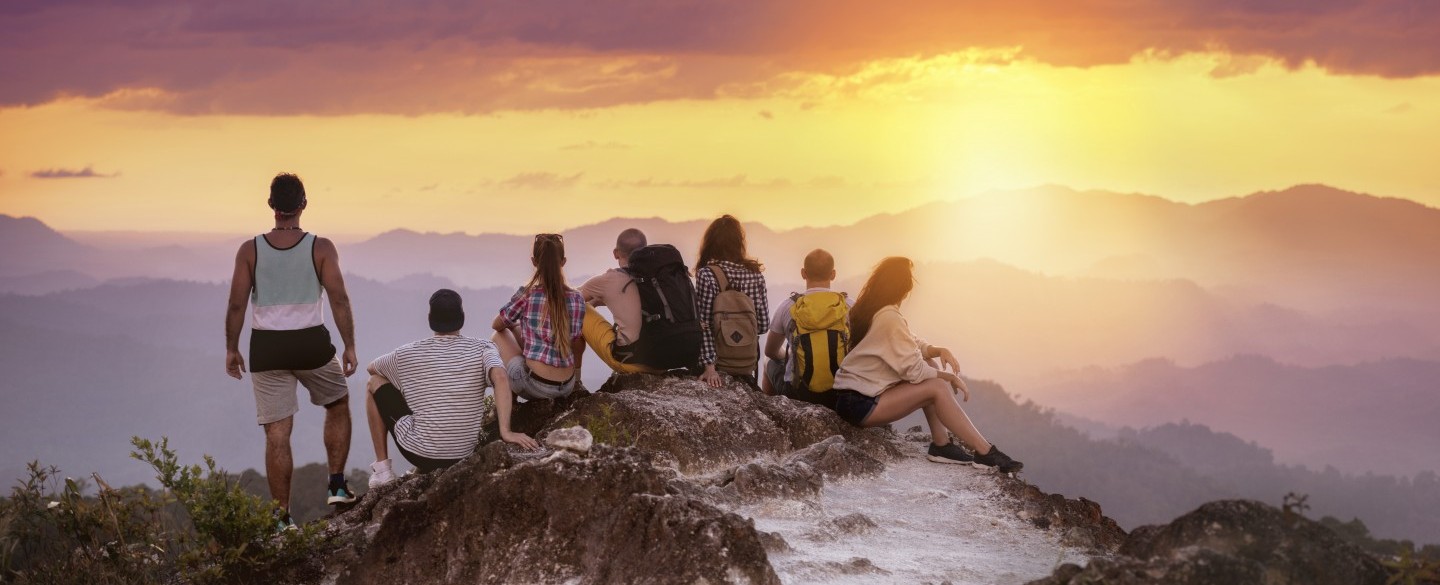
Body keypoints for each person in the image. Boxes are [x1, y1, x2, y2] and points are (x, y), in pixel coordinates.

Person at [224, 173, 358, 531]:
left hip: (266, 348)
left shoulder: (250, 250)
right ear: (303, 204)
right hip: (311, 342)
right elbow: (339, 298)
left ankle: (282, 518)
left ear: (271, 205)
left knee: (277, 434)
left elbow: (237, 305)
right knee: (338, 403)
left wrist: (231, 349)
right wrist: (349, 345)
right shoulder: (321, 248)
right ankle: (337, 485)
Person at [828, 257, 1023, 473]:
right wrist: (949, 377)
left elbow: (911, 343)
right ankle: (985, 452)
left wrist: (938, 350)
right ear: (904, 288)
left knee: (930, 366)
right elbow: (915, 372)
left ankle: (941, 445)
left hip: (852, 397)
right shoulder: (889, 317)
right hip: (859, 404)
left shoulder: (876, 309)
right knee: (936, 385)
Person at [364, 289, 507, 487]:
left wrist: (413, 380)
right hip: (463, 452)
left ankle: (382, 472)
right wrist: (505, 431)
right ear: (462, 318)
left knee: (373, 382)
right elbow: (500, 376)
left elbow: (371, 368)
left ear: (430, 319)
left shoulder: (407, 353)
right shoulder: (483, 348)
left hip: (421, 454)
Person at [491, 233, 585, 449]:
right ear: (563, 262)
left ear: (533, 262)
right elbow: (575, 341)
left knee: (499, 337)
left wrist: (515, 325)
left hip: (534, 386)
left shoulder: (528, 294)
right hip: (566, 385)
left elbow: (497, 324)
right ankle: (577, 383)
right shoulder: (577, 298)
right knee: (563, 340)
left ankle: (511, 405)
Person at [762, 249, 853, 403]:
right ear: (833, 274)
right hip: (839, 392)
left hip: (798, 393)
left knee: (766, 361)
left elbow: (771, 351)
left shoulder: (788, 306)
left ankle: (771, 413)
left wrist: (792, 356)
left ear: (803, 273)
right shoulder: (848, 306)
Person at [694, 215, 769, 388]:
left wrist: (710, 368)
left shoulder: (707, 274)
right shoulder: (755, 274)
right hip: (746, 363)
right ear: (739, 243)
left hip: (719, 362)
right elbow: (764, 325)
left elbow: (704, 324)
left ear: (710, 243)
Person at [579, 228, 659, 374]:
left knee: (579, 308)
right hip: (662, 362)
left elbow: (569, 299)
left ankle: (572, 380)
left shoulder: (610, 280)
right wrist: (598, 300)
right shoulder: (658, 277)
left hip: (630, 363)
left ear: (616, 253)